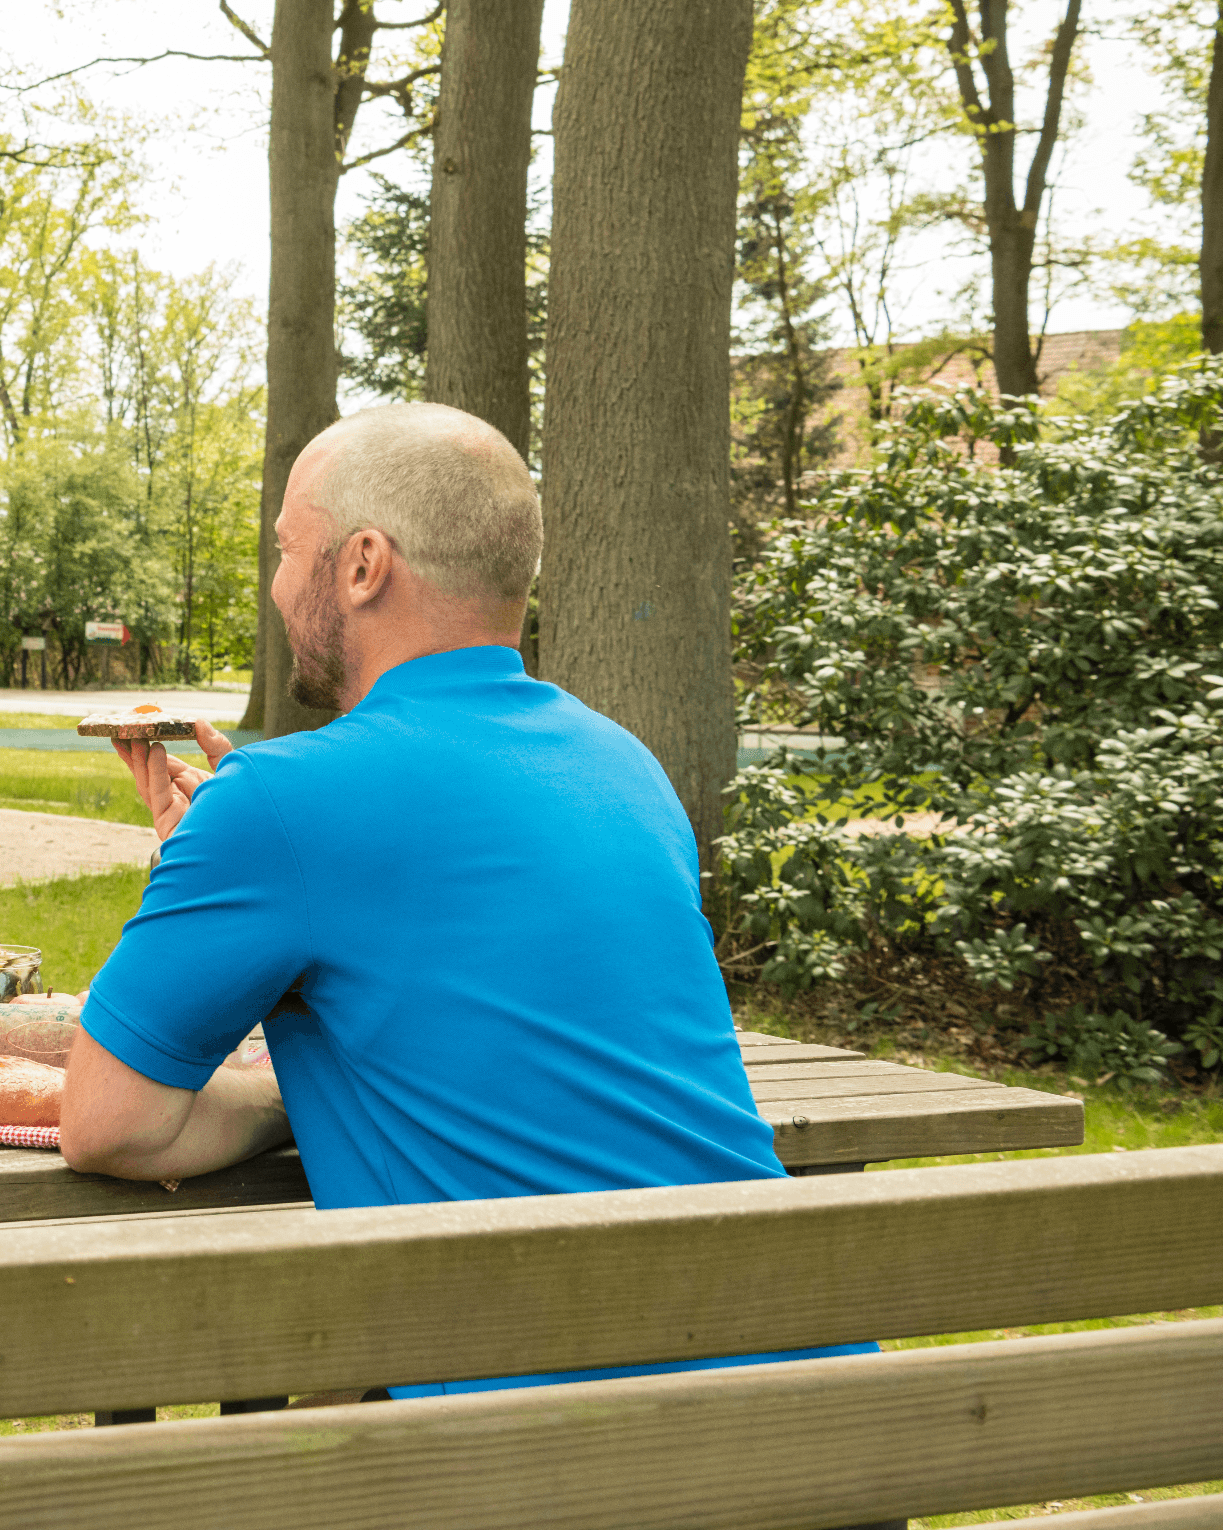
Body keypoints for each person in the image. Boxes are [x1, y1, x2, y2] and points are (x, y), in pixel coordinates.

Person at [62, 401, 868, 1401]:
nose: (275, 583)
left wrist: (287, 1085)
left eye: (285, 547)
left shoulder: (276, 800)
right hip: (823, 1409)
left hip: (572, 1458)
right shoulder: (625, 767)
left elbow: (108, 1122)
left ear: (362, 564)